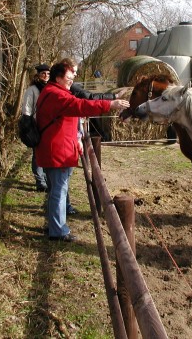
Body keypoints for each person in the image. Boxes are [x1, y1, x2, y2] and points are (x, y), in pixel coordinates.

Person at [35, 59, 129, 241]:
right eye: (69, 77)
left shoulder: (53, 91)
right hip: (58, 152)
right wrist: (110, 105)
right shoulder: (57, 95)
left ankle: (54, 224)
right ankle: (58, 231)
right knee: (59, 190)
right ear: (58, 77)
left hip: (56, 149)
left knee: (57, 189)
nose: (72, 80)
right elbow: (81, 105)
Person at [22, 63, 51, 192]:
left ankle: (46, 177)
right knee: (37, 154)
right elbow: (27, 108)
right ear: (38, 75)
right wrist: (28, 124)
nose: (45, 76)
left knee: (46, 153)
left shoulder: (51, 88)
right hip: (36, 125)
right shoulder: (32, 89)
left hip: (48, 125)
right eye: (43, 74)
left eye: (48, 74)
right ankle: (40, 181)